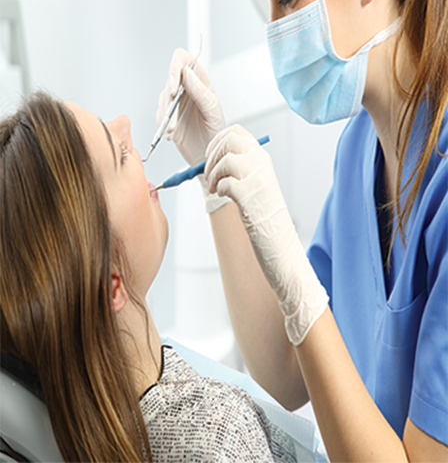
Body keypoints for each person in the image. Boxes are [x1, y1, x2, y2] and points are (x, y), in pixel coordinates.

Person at [157, 0, 448, 461]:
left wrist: (294, 272)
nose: (275, 29)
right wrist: (216, 173)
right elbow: (286, 371)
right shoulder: (360, 150)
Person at [0, 91, 308, 463]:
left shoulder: (90, 424)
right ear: (110, 287)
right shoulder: (216, 435)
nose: (126, 123)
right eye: (120, 154)